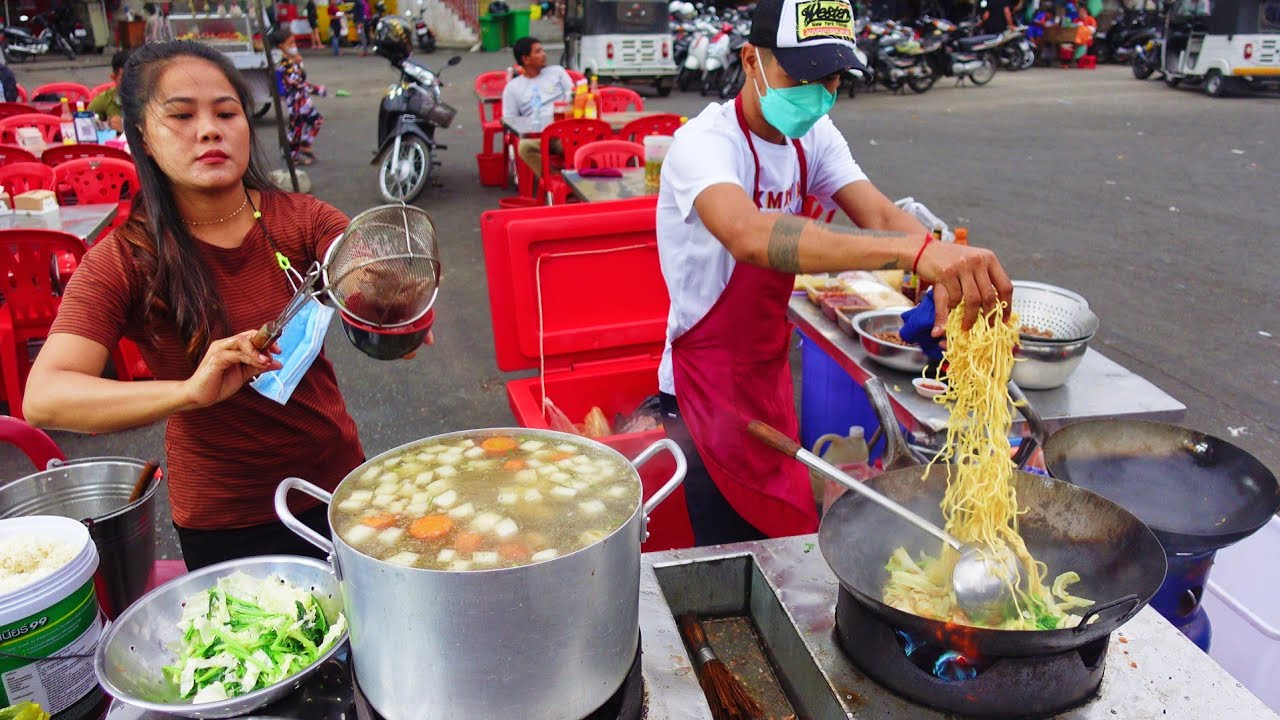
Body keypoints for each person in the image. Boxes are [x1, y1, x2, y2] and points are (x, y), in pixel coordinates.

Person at [21, 41, 413, 571]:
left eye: (227, 113)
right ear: (144, 139)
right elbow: (46, 397)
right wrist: (189, 391)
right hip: (225, 517)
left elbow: (361, 261)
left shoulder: (301, 218)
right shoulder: (124, 259)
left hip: (338, 486)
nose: (210, 129)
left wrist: (390, 300)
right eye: (182, 115)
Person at [656, 0, 1013, 546]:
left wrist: (944, 261)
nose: (818, 92)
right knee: (732, 556)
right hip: (702, 391)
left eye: (832, 78)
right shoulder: (703, 144)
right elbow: (750, 235)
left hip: (767, 377)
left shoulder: (814, 138)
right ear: (751, 60)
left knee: (790, 539)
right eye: (800, 74)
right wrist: (914, 255)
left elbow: (882, 215)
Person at [502, 36, 574, 178]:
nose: (544, 54)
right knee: (524, 147)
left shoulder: (557, 72)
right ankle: (553, 180)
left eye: (542, 50)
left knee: (588, 141)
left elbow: (573, 95)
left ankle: (583, 179)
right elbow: (509, 120)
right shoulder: (513, 88)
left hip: (565, 132)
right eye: (538, 51)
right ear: (526, 59)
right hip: (539, 137)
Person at [270, 28, 325, 164]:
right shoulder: (284, 63)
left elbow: (301, 77)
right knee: (296, 129)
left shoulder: (293, 60)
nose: (294, 45)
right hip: (295, 101)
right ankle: (292, 157)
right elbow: (297, 83)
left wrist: (298, 62)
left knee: (316, 121)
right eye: (291, 43)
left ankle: (305, 145)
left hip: (303, 99)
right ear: (281, 46)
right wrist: (317, 89)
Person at [88, 49, 130, 133]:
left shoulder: (150, 98)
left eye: (135, 77)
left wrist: (125, 129)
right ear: (113, 78)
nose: (131, 83)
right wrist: (106, 125)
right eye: (124, 79)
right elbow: (85, 126)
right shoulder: (105, 99)